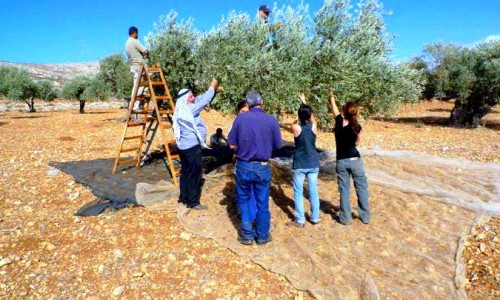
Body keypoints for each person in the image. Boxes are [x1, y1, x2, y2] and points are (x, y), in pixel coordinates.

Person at [228, 91, 282, 245]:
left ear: (247, 104)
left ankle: (247, 235)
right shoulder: (271, 120)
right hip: (262, 166)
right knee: (262, 202)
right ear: (262, 102)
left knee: (244, 200)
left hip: (243, 165)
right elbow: (278, 145)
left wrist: (243, 146)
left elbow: (231, 144)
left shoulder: (240, 119)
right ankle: (263, 235)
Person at [173, 79, 221, 210]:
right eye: (191, 96)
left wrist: (214, 91)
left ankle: (183, 197)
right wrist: (212, 85)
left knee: (185, 172)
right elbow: (204, 100)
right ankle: (193, 202)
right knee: (194, 173)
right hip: (192, 147)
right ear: (186, 99)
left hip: (182, 147)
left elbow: (199, 98)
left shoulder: (181, 108)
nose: (194, 97)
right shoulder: (189, 109)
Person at [330, 95, 371, 225]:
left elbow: (334, 110)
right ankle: (365, 217)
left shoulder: (338, 122)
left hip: (341, 161)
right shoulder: (356, 126)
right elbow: (357, 143)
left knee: (344, 190)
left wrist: (332, 99)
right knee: (361, 188)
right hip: (355, 160)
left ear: (343, 112)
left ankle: (345, 219)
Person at [290, 95, 320, 228]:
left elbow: (293, 122)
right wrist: (305, 103)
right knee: (313, 191)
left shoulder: (296, 128)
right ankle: (314, 217)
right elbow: (312, 117)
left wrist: (300, 115)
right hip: (313, 163)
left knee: (298, 191)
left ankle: (301, 220)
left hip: (300, 164)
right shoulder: (314, 126)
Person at [125, 26, 149, 112]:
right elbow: (145, 51)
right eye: (137, 33)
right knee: (139, 87)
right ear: (135, 33)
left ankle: (135, 105)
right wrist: (147, 52)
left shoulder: (127, 43)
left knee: (137, 86)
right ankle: (135, 106)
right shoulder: (135, 41)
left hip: (134, 66)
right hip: (140, 67)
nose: (138, 35)